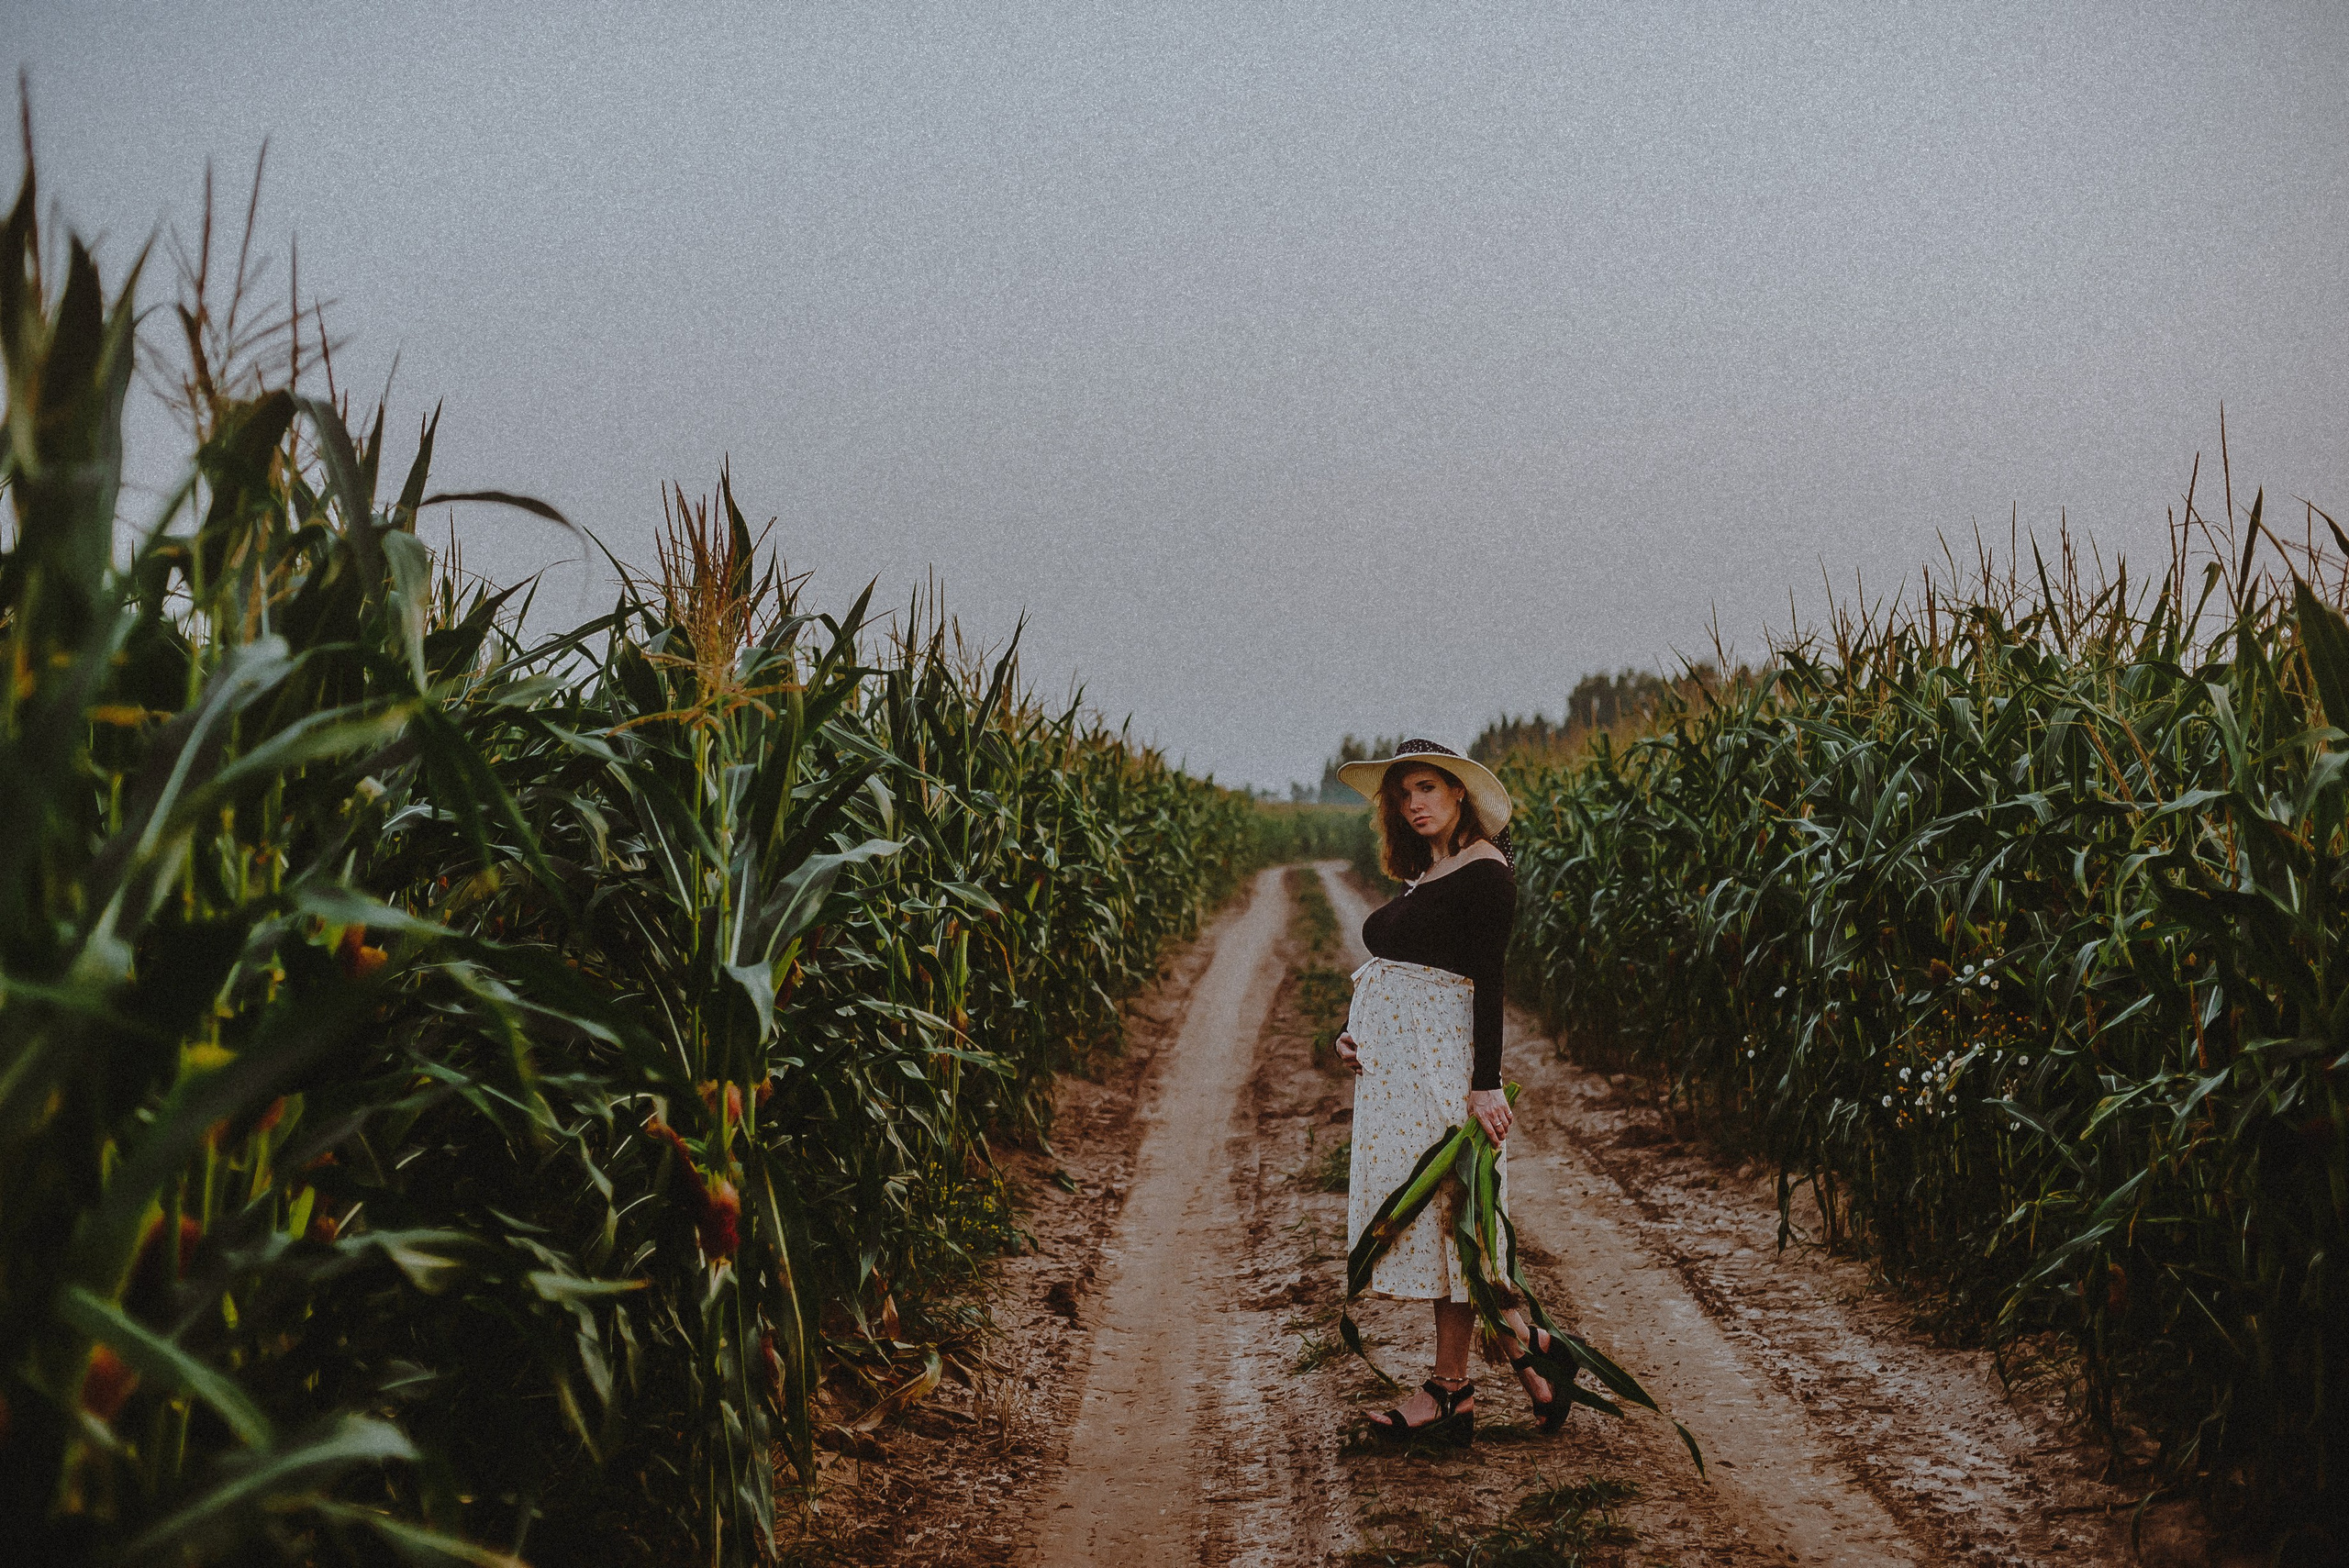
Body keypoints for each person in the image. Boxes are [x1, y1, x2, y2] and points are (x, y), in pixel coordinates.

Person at [1333, 739, 1564, 1444]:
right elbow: (1406, 963)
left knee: (1452, 1218)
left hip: (1443, 1072)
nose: (1414, 803)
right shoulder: (1434, 870)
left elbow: (1487, 982)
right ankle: (1535, 1360)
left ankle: (1451, 1392)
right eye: (1403, 793)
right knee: (1446, 1220)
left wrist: (1484, 1084)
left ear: (1459, 791)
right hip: (1408, 1070)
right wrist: (1353, 1029)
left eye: (1427, 787)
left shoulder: (1485, 872)